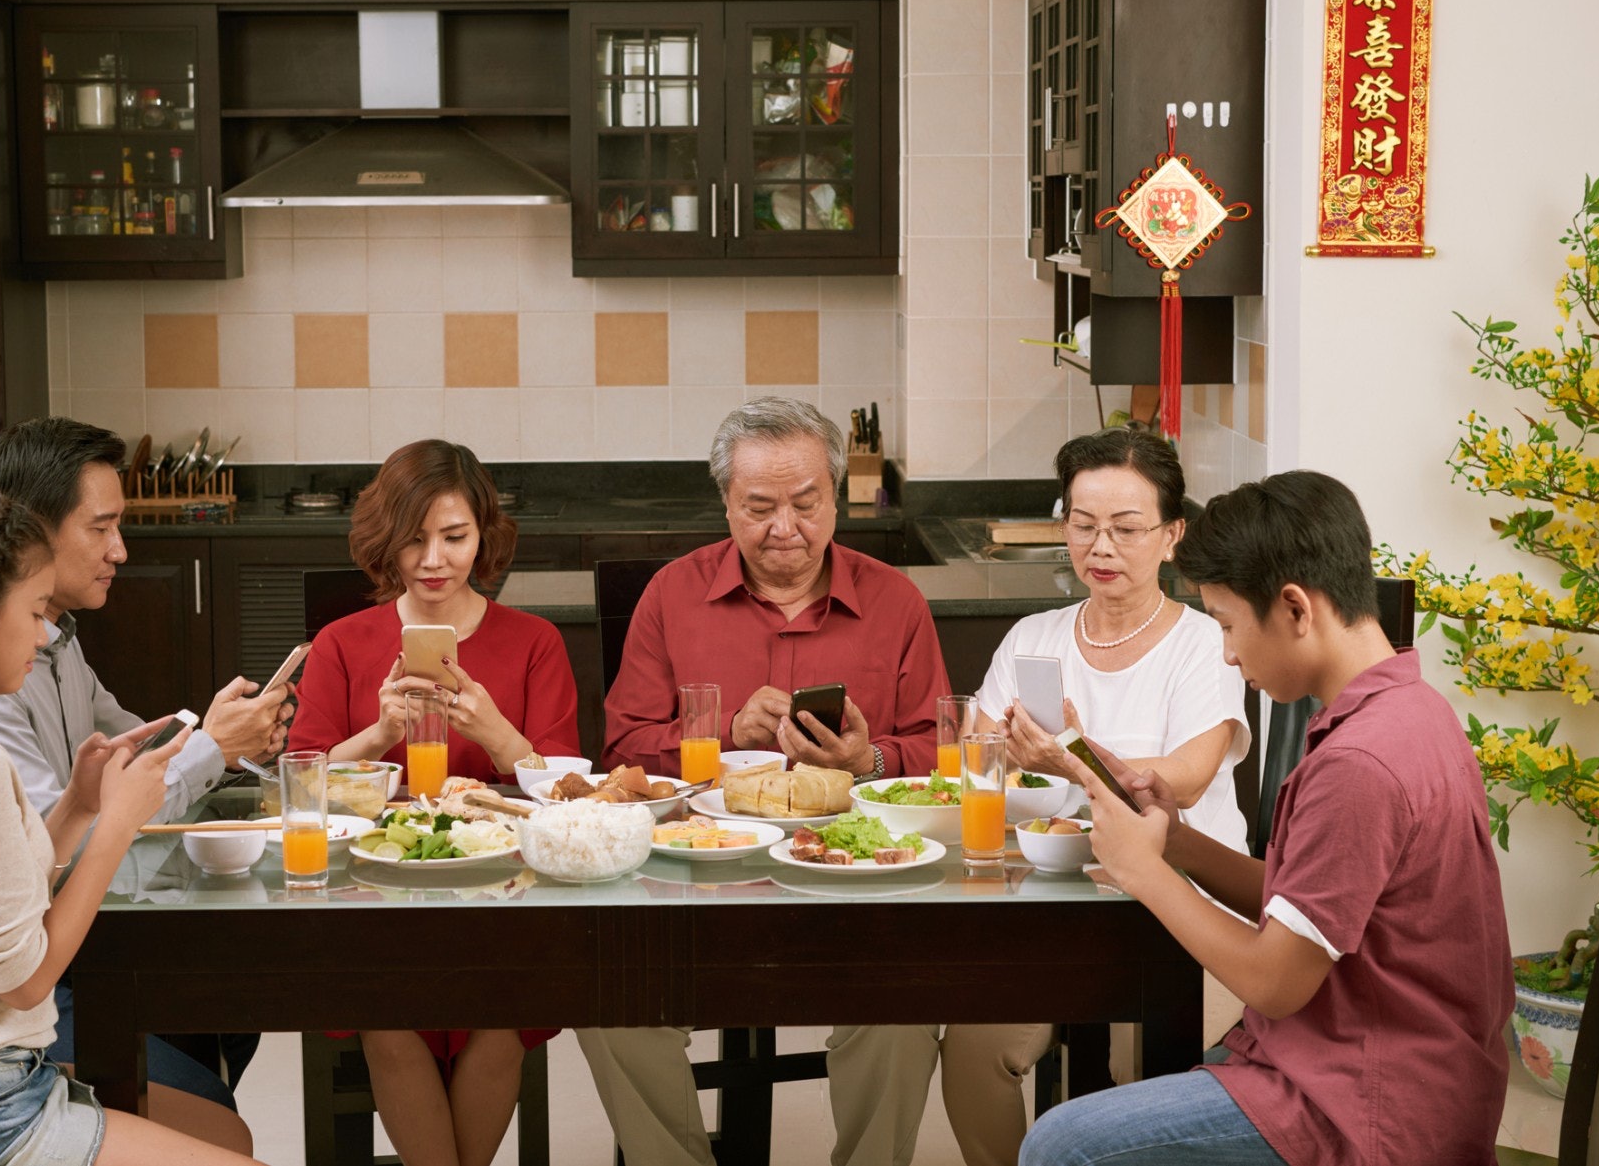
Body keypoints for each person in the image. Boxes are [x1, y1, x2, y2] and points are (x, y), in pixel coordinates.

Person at [1021, 471, 1512, 1165]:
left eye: (1228, 623)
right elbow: (1305, 903)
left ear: (1294, 609)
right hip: (1394, 1069)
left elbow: (1273, 982)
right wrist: (1177, 841)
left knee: (1061, 1144)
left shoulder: (1360, 763)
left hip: (1365, 1104)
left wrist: (1141, 870)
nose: (1227, 651)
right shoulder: (1410, 708)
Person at [0, 488, 266, 1166]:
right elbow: (25, 981)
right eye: (34, 613)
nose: (42, 637)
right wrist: (118, 823)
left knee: (225, 1134)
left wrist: (78, 806)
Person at [584, 396, 950, 1166]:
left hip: (856, 882)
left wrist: (866, 762)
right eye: (759, 507)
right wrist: (722, 734)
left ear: (836, 496)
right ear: (726, 502)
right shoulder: (672, 594)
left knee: (903, 1008)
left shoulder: (896, 601)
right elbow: (621, 746)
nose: (785, 527)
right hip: (696, 882)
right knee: (608, 1004)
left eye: (806, 503)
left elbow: (940, 752)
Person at [940, 427, 1251, 1166]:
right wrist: (992, 754)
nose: (1101, 546)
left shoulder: (1204, 643)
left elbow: (1183, 779)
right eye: (1083, 525)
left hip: (1182, 915)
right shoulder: (1033, 636)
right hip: (1050, 909)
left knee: (1133, 1080)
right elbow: (972, 765)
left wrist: (1069, 760)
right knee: (972, 1056)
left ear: (1172, 535)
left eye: (1126, 528)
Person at [0, 416, 286, 1145]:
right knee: (215, 1105)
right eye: (102, 528)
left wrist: (218, 737)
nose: (120, 550)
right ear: (31, 533)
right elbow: (65, 849)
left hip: (70, 947)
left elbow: (132, 745)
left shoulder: (56, 641)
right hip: (33, 984)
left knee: (233, 996)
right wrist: (209, 749)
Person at [288, 438, 578, 1166]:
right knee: (386, 1017)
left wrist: (497, 733)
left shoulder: (536, 642)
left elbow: (570, 797)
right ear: (385, 539)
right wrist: (380, 732)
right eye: (414, 539)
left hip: (507, 893)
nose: (433, 560)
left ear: (484, 535)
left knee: (504, 1014)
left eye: (454, 537)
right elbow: (300, 782)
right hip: (371, 892)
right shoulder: (341, 643)